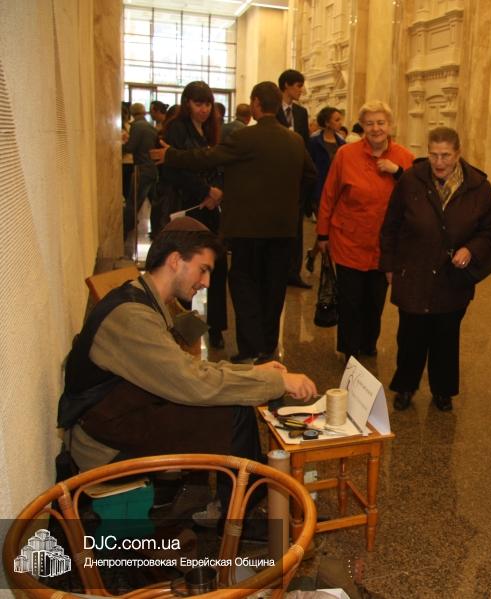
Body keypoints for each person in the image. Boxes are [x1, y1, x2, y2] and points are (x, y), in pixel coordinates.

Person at [58, 217, 317, 475]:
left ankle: (247, 487)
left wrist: (255, 372)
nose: (207, 282)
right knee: (233, 416)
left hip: (120, 419)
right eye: (202, 269)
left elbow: (188, 368)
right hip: (105, 449)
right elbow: (193, 382)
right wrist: (277, 382)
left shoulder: (143, 297)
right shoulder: (133, 317)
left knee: (231, 409)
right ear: (175, 260)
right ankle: (246, 496)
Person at [153, 81, 317, 365]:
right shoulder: (295, 140)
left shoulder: (245, 137)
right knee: (274, 287)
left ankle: (250, 348)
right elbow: (311, 176)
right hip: (282, 230)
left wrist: (171, 155)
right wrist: (292, 204)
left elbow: (207, 158)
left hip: (246, 229)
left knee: (244, 286)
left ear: (256, 104)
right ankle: (268, 347)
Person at [380, 127, 491, 412]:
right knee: (411, 335)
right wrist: (388, 265)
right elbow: (391, 226)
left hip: (452, 277)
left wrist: (470, 250)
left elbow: (490, 230)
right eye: (433, 155)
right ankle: (406, 386)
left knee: (446, 335)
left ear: (458, 153)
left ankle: (443, 390)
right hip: (413, 272)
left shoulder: (479, 187)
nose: (439, 162)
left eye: (445, 155)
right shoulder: (411, 179)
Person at [317, 100, 414, 362]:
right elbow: (329, 195)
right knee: (350, 300)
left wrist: (398, 172)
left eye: (381, 122)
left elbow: (416, 195)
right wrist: (322, 234)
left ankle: (368, 343)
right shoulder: (346, 154)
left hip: (384, 245)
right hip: (349, 239)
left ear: (390, 125)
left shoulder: (404, 157)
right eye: (369, 123)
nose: (376, 128)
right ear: (362, 126)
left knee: (375, 300)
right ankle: (349, 348)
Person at [158, 82, 228, 349]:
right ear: (187, 103)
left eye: (208, 104)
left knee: (217, 267)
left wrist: (217, 192)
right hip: (185, 207)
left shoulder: (211, 130)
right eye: (198, 104)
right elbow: (173, 171)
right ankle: (183, 329)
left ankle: (216, 327)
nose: (204, 109)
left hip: (210, 209)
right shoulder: (176, 128)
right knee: (185, 268)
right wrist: (206, 191)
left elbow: (218, 165)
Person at [276, 69, 313, 289]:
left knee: (297, 228)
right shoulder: (272, 110)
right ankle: (277, 271)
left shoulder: (301, 113)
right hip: (276, 176)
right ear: (286, 85)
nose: (302, 90)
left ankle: (293, 272)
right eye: (298, 85)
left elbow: (304, 144)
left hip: (296, 177)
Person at [122, 103, 162, 238]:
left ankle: (125, 230)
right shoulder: (150, 127)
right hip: (152, 169)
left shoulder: (137, 126)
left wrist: (119, 146)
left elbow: (131, 147)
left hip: (142, 168)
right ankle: (157, 231)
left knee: (133, 202)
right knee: (155, 203)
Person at [308, 106, 346, 218]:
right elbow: (310, 167)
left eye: (340, 119)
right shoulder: (314, 142)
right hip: (320, 189)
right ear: (327, 123)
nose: (340, 123)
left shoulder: (342, 144)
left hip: (338, 190)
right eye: (337, 120)